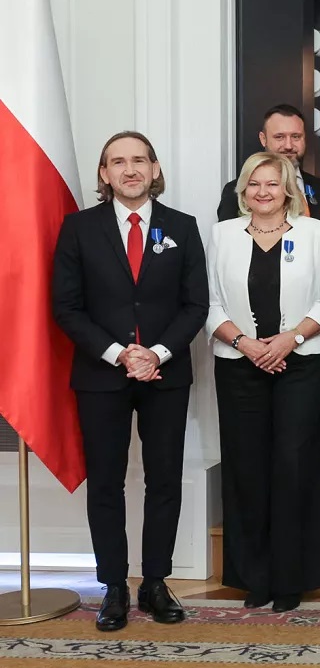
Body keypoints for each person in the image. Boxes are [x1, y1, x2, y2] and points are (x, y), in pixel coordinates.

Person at [51, 131, 209, 632]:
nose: (130, 169)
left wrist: (156, 354)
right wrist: (120, 354)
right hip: (101, 375)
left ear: (154, 168)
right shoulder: (79, 228)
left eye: (139, 160)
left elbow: (196, 305)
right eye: (118, 162)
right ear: (105, 174)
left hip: (166, 373)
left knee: (164, 480)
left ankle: (156, 583)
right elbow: (66, 307)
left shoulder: (182, 227)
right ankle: (114, 586)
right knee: (106, 483)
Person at [205, 152, 320, 612]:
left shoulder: (315, 232)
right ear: (243, 191)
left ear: (288, 190)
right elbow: (211, 304)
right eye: (254, 184)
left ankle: (291, 579)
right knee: (246, 468)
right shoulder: (222, 234)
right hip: (239, 364)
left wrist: (288, 340)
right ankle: (254, 578)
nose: (263, 192)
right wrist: (247, 344)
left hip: (302, 365)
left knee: (293, 466)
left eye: (272, 183)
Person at [216, 104, 320, 222]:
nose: (288, 146)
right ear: (263, 139)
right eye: (279, 137)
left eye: (296, 137)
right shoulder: (238, 191)